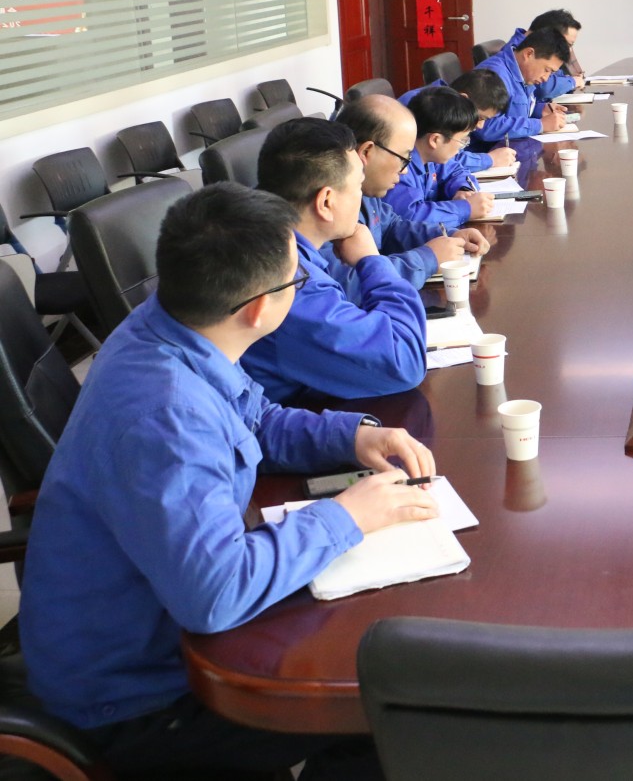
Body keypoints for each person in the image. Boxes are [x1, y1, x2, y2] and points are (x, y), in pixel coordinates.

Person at [20, 182, 438, 779]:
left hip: (159, 632)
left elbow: (254, 417)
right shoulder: (167, 414)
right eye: (298, 281)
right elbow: (215, 595)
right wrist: (347, 517)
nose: (302, 287)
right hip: (138, 701)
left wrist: (351, 436)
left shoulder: (170, 325)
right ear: (258, 309)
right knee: (393, 712)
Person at [243, 118, 429, 402]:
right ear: (326, 202)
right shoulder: (289, 282)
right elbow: (405, 362)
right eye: (358, 186)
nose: (361, 198)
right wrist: (371, 260)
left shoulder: (263, 237)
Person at [335, 95, 489, 290]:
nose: (405, 170)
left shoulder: (367, 192)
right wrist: (427, 259)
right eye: (403, 158)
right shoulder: (329, 207)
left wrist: (449, 235)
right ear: (366, 152)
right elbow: (347, 285)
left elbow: (392, 228)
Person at [388, 87, 494, 229]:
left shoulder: (431, 155)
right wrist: (465, 209)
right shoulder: (399, 168)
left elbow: (455, 170)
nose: (462, 147)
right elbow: (411, 216)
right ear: (435, 140)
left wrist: (462, 189)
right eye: (462, 140)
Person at [397, 69, 517, 175]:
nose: (480, 126)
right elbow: (446, 159)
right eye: (480, 117)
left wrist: (462, 186)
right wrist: (490, 160)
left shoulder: (444, 103)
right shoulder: (425, 106)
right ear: (464, 99)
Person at [471, 26, 573, 146]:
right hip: (489, 151)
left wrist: (539, 109)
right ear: (528, 54)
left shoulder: (524, 73)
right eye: (546, 70)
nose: (546, 78)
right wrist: (540, 125)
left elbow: (512, 109)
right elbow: (485, 127)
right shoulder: (494, 75)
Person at [528, 8, 585, 109]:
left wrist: (541, 110)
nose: (569, 50)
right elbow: (544, 88)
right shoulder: (524, 53)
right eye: (567, 44)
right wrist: (573, 81)